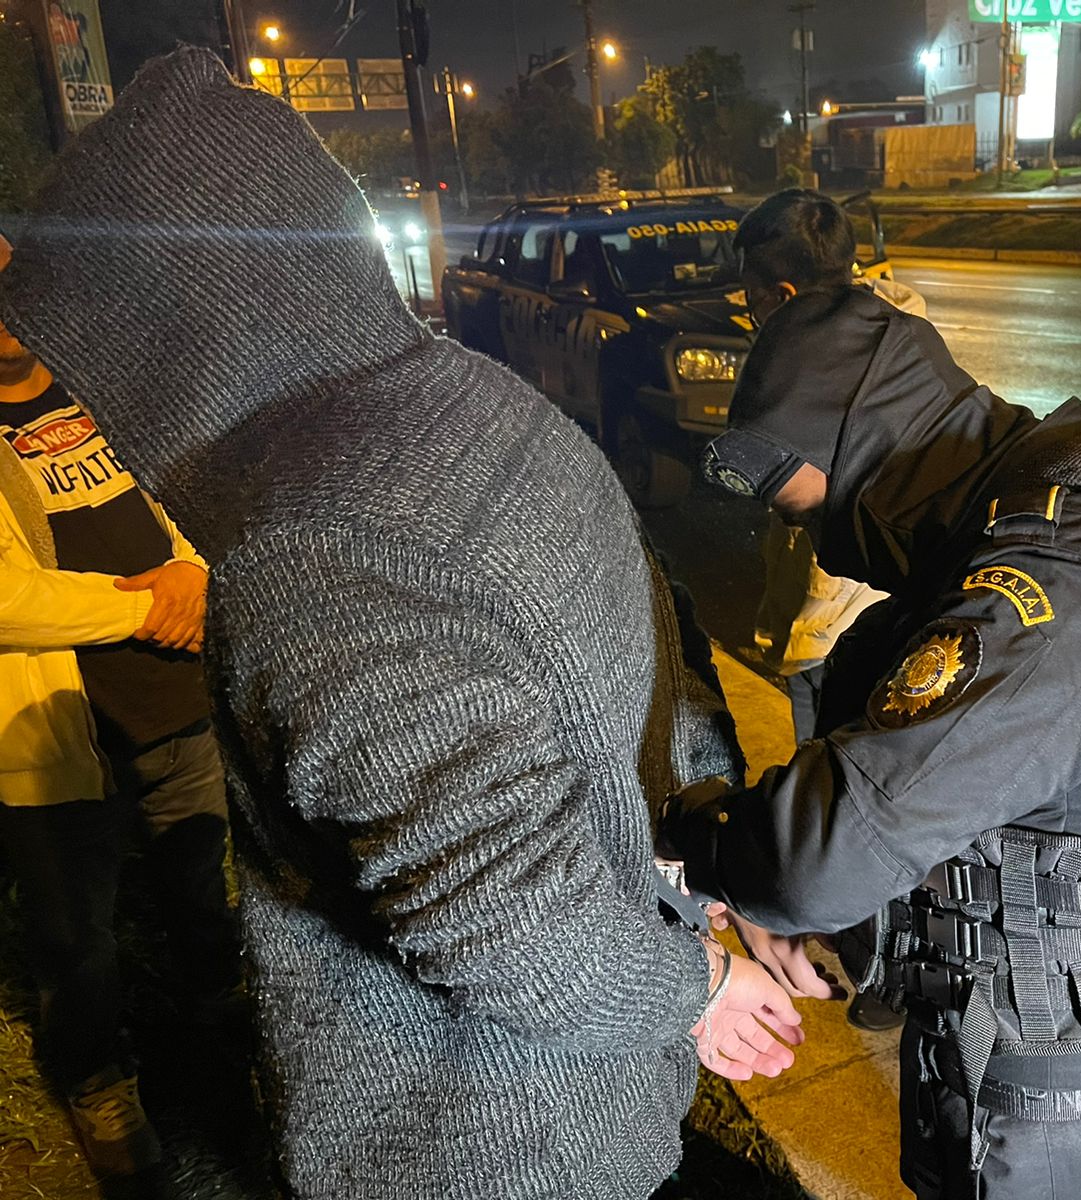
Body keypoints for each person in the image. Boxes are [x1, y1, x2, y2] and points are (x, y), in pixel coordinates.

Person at [0, 47, 803, 1200]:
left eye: (98, 369)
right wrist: (695, 893)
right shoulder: (471, 399)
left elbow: (499, 910)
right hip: (600, 1101)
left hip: (480, 1145)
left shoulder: (315, 547)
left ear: (168, 338)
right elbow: (655, 652)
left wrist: (698, 992)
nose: (99, 409)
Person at [661, 189, 1081, 1200]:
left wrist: (698, 850)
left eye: (821, 511)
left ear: (866, 450)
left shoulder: (1067, 588)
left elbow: (825, 851)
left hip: (1069, 1140)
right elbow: (994, 816)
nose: (827, 545)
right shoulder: (1057, 526)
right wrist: (851, 928)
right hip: (1041, 1089)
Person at [0, 238, 239, 1184]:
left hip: (178, 704)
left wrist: (190, 571)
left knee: (200, 890)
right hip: (59, 736)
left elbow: (187, 507)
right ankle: (100, 1088)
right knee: (76, 941)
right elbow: (9, 601)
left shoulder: (101, 393)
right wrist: (151, 605)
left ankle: (217, 1024)